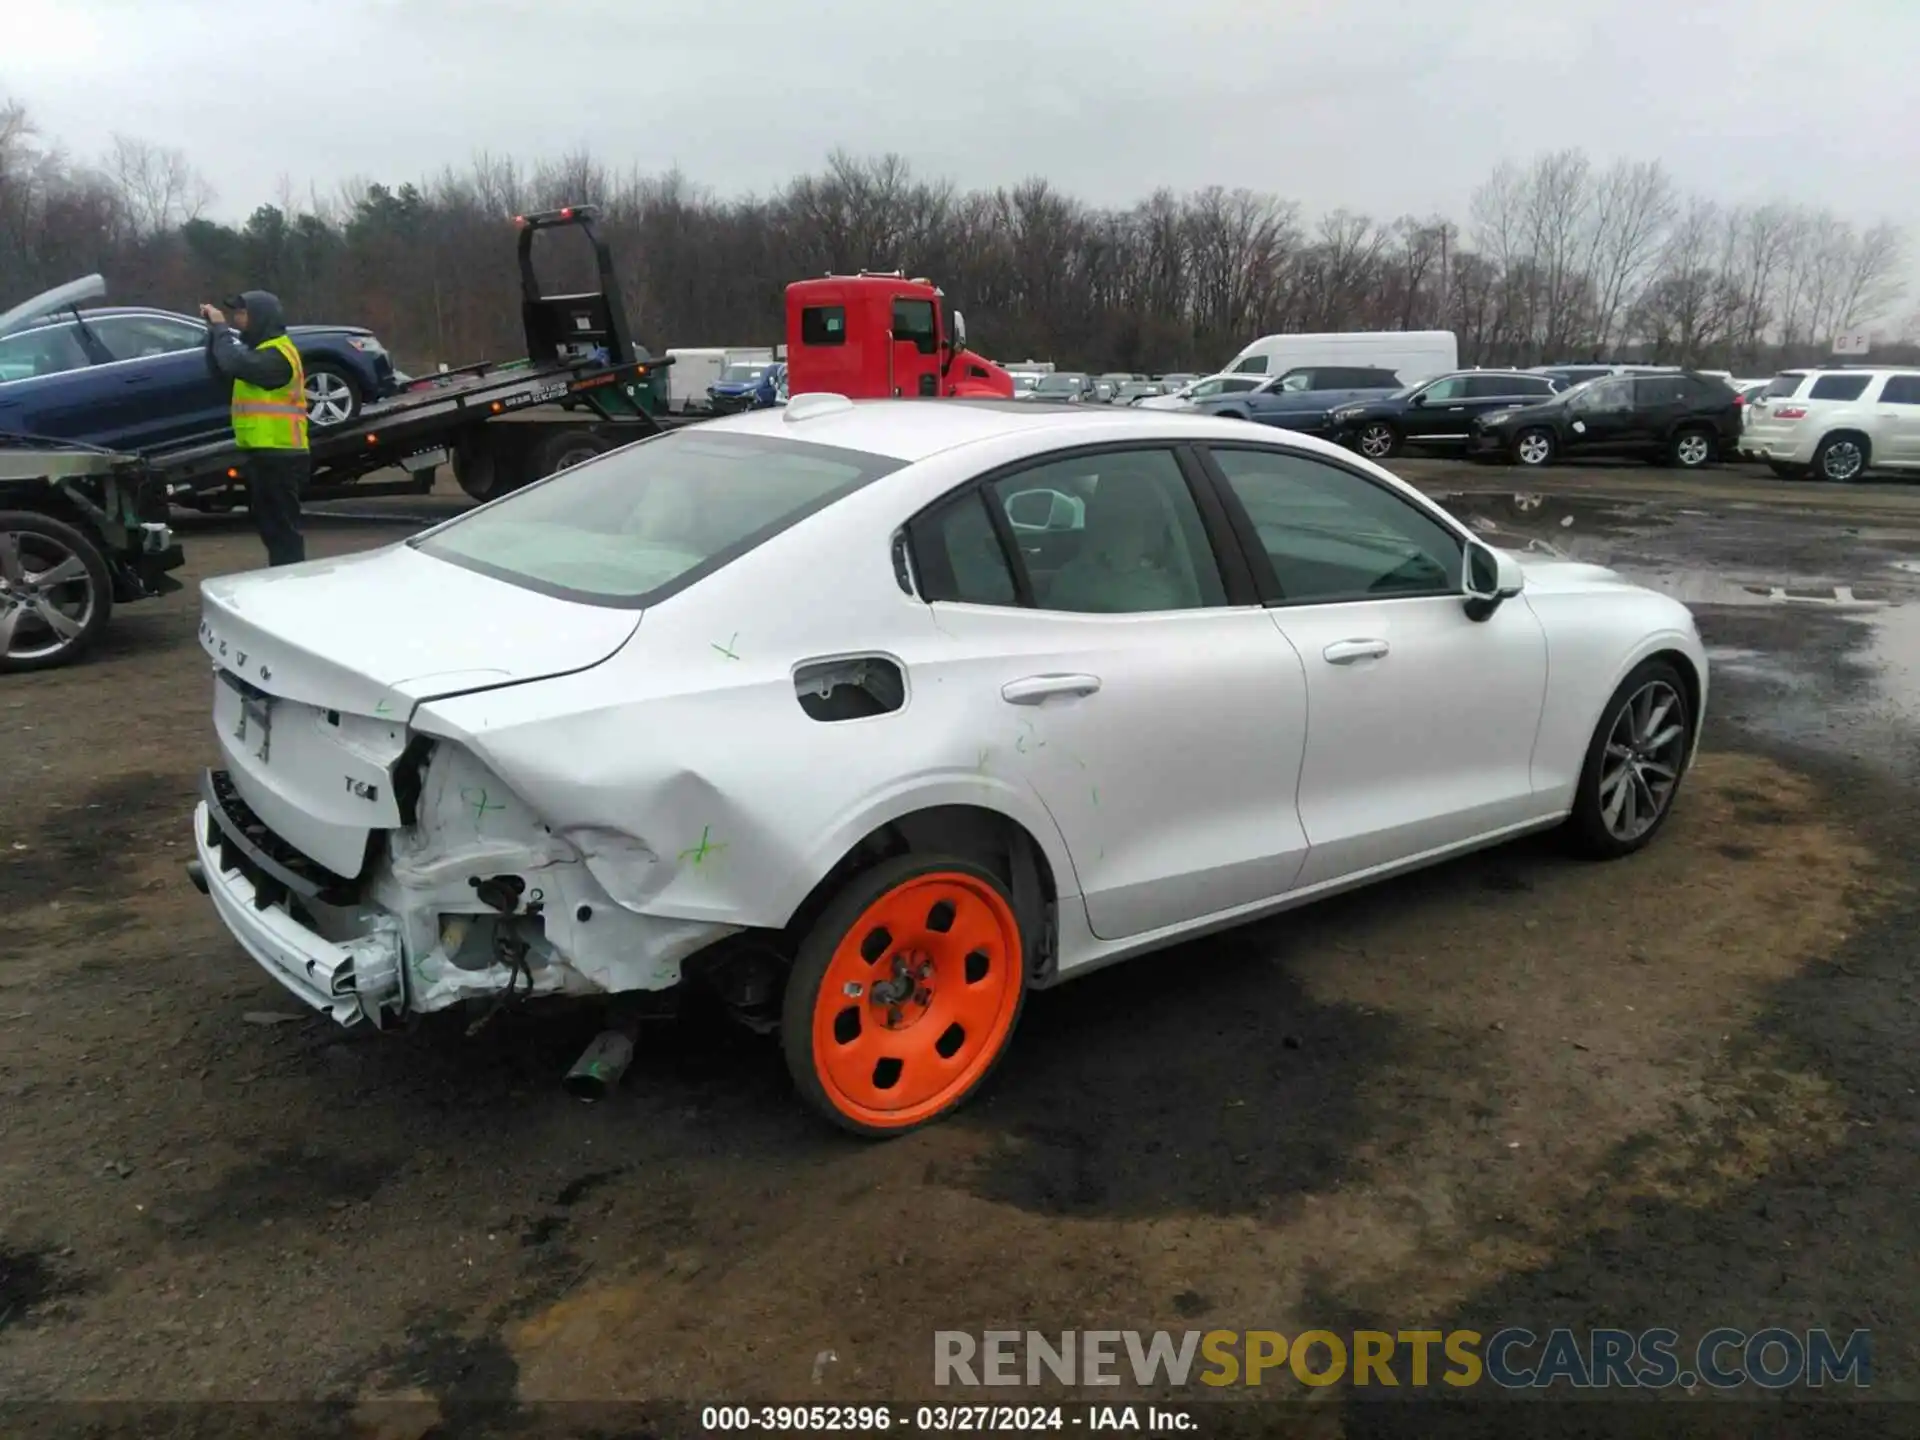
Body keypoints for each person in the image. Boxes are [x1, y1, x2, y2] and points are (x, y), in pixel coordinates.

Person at [200, 291, 309, 566]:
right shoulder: (257, 353)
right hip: (263, 454)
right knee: (271, 530)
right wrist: (214, 333)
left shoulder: (278, 355)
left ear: (262, 316)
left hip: (283, 455)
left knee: (284, 533)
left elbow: (233, 363)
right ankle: (281, 578)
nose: (238, 319)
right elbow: (222, 369)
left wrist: (221, 329)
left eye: (243, 313)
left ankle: (292, 583)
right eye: (236, 314)